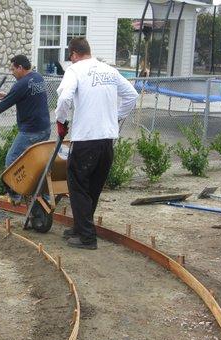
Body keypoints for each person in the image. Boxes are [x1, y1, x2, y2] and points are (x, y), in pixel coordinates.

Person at [56, 37, 138, 250]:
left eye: (70, 57)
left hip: (86, 140)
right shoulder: (109, 70)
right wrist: (116, 117)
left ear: (74, 54)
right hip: (107, 141)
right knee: (92, 188)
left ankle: (87, 238)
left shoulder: (74, 71)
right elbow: (132, 95)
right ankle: (79, 228)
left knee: (78, 187)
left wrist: (60, 121)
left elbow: (65, 99)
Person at [0, 54, 51, 203]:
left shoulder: (21, 84)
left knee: (11, 159)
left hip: (31, 131)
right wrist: (9, 95)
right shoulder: (37, 77)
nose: (11, 72)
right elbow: (25, 96)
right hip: (44, 129)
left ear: (20, 67)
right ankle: (43, 196)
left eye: (13, 69)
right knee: (37, 164)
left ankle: (15, 196)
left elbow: (2, 107)